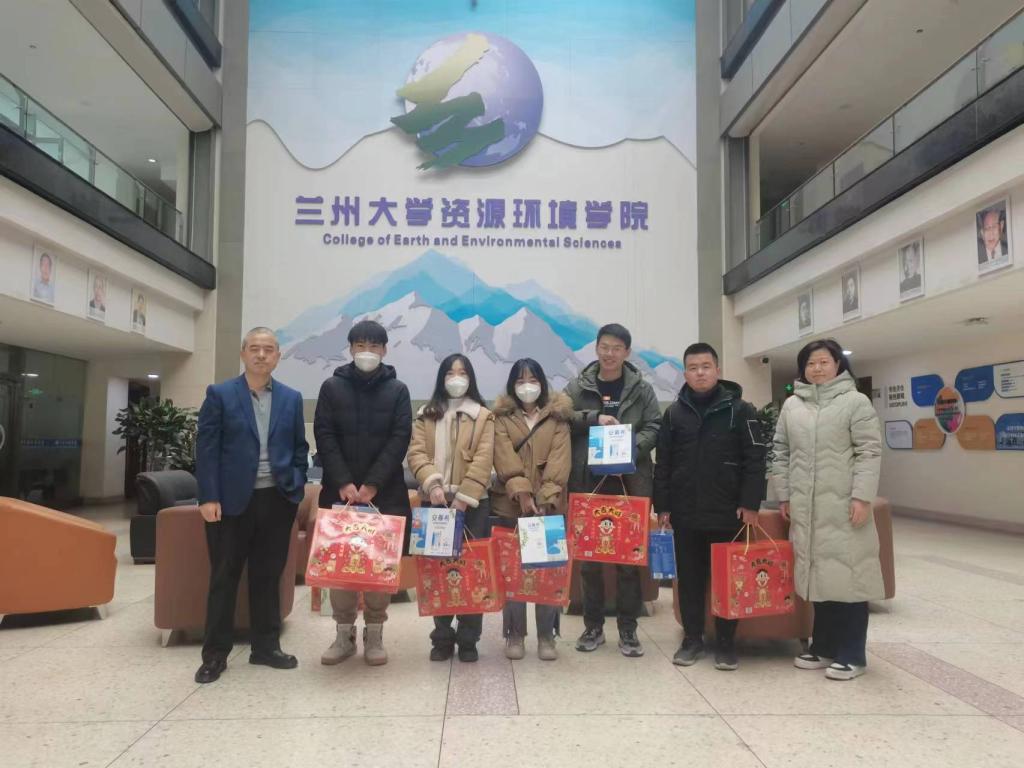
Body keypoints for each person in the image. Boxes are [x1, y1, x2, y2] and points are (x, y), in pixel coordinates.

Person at [193, 327, 309, 684]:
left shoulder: (291, 398)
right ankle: (215, 655)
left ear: (278, 356)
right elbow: (207, 448)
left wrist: (295, 485)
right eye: (255, 348)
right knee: (224, 577)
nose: (261, 355)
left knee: (268, 576)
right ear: (243, 353)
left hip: (277, 499)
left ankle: (266, 647)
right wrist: (208, 496)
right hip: (230, 502)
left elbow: (300, 448)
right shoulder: (220, 394)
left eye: (268, 349)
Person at [772, 338, 883, 681]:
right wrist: (785, 495)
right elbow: (781, 452)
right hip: (807, 509)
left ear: (838, 365)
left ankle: (853, 655)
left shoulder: (855, 402)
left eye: (824, 362)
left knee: (849, 577)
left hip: (845, 506)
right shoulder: (792, 406)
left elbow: (869, 451)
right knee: (819, 576)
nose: (817, 368)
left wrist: (862, 497)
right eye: (810, 363)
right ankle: (823, 646)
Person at [653, 343, 766, 671]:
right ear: (685, 373)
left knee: (728, 579)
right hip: (685, 512)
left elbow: (755, 459)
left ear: (717, 370)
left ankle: (726, 643)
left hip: (728, 512)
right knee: (690, 580)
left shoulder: (741, 410)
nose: (700, 373)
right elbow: (664, 463)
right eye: (693, 368)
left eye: (705, 366)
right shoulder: (674, 414)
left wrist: (750, 502)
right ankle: (692, 639)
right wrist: (663, 506)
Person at [315, 320, 412, 667]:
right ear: (350, 348)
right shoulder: (331, 387)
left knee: (378, 568)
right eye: (360, 345)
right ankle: (343, 634)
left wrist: (372, 483)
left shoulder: (398, 390)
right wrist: (343, 481)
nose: (366, 352)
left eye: (373, 346)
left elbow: (400, 438)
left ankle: (375, 633)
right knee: (340, 567)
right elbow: (324, 435)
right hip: (340, 494)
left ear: (384, 350)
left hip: (383, 494)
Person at [564, 323, 661, 657]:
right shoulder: (578, 386)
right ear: (596, 348)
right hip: (588, 482)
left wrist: (630, 449)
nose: (609, 353)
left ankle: (628, 630)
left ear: (627, 352)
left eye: (617, 348)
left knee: (628, 560)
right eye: (604, 347)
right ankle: (592, 627)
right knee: (589, 560)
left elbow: (655, 426)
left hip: (628, 484)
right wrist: (594, 418)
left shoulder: (642, 389)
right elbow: (562, 417)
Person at [408, 353, 495, 662]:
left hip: (473, 504)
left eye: (462, 373)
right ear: (441, 378)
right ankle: (442, 637)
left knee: (472, 570)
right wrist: (432, 484)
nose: (456, 379)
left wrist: (464, 497)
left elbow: (485, 458)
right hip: (435, 503)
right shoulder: (425, 414)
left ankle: (469, 639)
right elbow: (416, 453)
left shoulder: (484, 416)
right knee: (437, 571)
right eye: (450, 373)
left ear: (470, 378)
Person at [491, 358, 572, 661]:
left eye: (533, 380)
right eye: (521, 380)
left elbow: (560, 460)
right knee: (513, 573)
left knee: (548, 574)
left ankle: (547, 635)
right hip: (510, 506)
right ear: (513, 385)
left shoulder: (557, 418)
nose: (527, 386)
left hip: (548, 509)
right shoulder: (501, 418)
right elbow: (503, 457)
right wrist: (523, 494)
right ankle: (515, 634)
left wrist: (546, 498)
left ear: (542, 383)